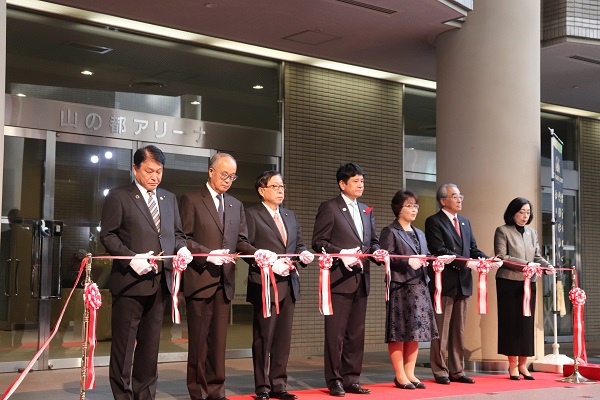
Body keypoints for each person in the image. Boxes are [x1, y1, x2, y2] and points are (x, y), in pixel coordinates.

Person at [100, 145, 192, 400]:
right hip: (130, 283)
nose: (155, 176)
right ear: (135, 169)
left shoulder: (168, 198)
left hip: (161, 282)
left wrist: (182, 248)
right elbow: (107, 235)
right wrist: (131, 259)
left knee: (150, 348)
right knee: (124, 347)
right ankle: (123, 396)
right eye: (149, 171)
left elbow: (178, 234)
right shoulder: (119, 196)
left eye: (159, 171)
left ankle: (145, 395)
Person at [179, 153, 258, 400]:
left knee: (219, 343)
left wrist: (258, 252)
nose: (228, 180)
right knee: (199, 343)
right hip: (200, 279)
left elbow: (241, 241)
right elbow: (183, 239)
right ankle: (198, 392)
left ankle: (216, 390)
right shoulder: (191, 200)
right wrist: (206, 254)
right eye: (224, 174)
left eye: (233, 176)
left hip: (225, 282)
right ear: (211, 171)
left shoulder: (235, 204)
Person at [312, 163, 381, 397]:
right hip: (339, 279)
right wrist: (340, 253)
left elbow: (373, 241)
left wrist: (378, 252)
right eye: (355, 181)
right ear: (342, 184)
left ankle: (352, 378)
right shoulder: (330, 207)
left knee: (356, 333)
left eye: (362, 181)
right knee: (336, 334)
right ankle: (334, 380)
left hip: (362, 278)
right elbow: (318, 241)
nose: (361, 185)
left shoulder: (366, 210)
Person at [245, 170, 314, 400]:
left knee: (283, 338)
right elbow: (243, 245)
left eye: (282, 186)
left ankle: (279, 384)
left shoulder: (290, 215)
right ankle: (262, 386)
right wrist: (269, 262)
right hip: (265, 283)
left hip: (289, 283)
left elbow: (299, 244)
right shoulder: (252, 214)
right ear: (261, 190)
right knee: (264, 337)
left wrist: (303, 254)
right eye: (275, 186)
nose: (280, 190)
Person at [379, 190, 454, 390]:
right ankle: (400, 374)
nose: (414, 209)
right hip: (400, 287)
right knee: (399, 332)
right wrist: (406, 263)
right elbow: (385, 258)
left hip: (420, 286)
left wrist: (436, 261)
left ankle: (410, 373)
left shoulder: (420, 232)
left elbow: (426, 256)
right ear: (398, 209)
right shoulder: (390, 231)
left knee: (415, 332)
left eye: (415, 206)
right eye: (409, 206)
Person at [424, 183, 497, 385]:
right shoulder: (434, 221)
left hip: (463, 281)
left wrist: (487, 259)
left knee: (459, 330)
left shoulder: (464, 222)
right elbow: (439, 249)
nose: (459, 200)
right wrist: (468, 262)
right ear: (443, 200)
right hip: (444, 282)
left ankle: (457, 370)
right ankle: (440, 371)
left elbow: (472, 248)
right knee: (441, 330)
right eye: (455, 196)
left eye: (460, 196)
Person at [494, 197, 554, 380]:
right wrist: (526, 264)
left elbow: (537, 256)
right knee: (511, 323)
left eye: (528, 212)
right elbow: (502, 256)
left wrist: (547, 265)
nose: (525, 216)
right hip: (509, 283)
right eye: (521, 212)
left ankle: (523, 365)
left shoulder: (532, 232)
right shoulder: (502, 231)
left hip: (529, 282)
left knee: (526, 325)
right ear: (512, 213)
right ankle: (512, 365)